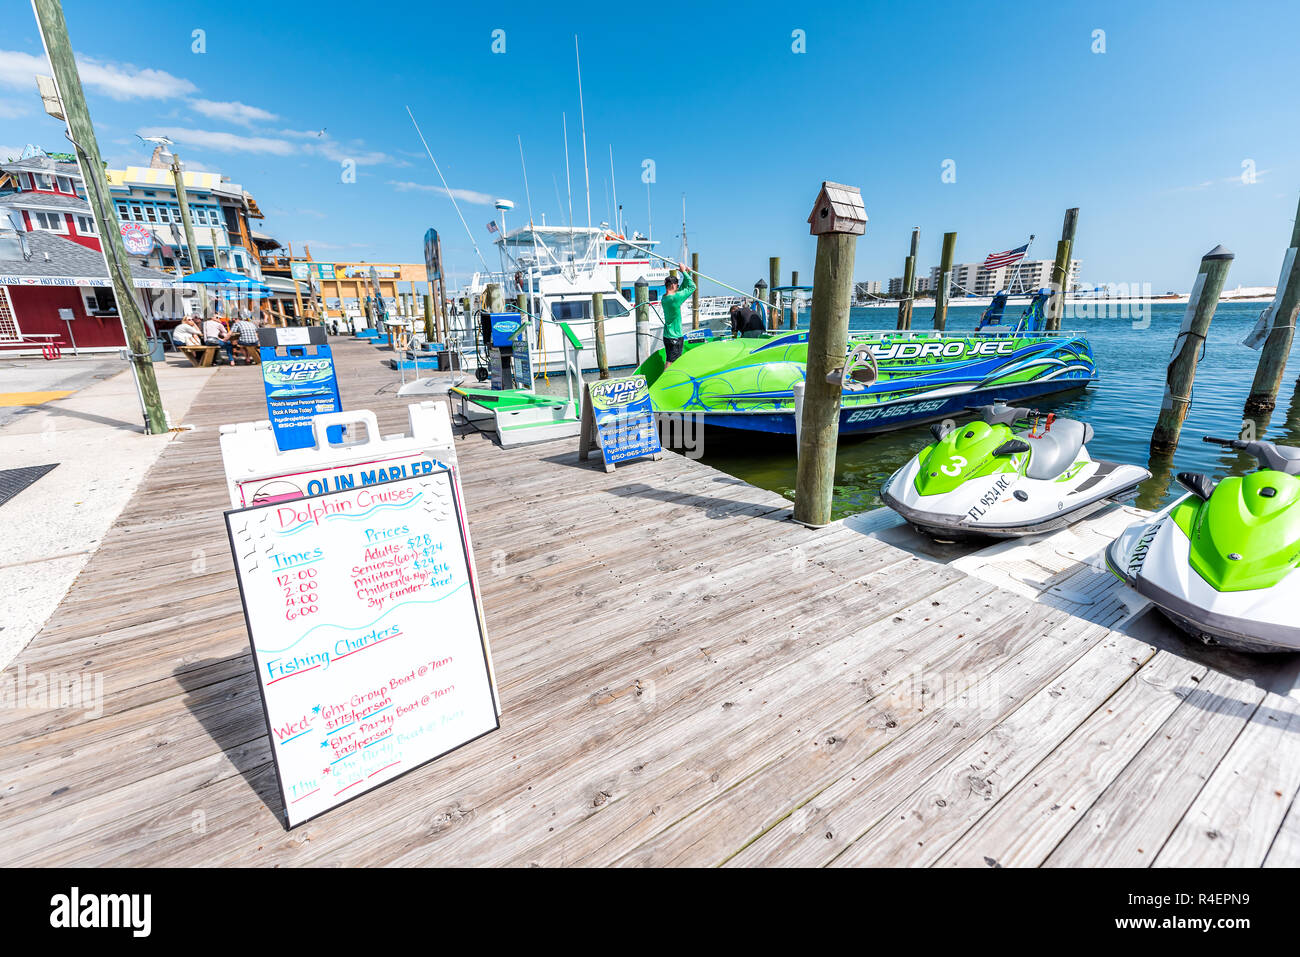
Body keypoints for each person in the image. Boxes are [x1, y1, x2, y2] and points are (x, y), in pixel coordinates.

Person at [660, 263, 695, 366]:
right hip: (675, 336)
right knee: (670, 362)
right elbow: (692, 286)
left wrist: (688, 274)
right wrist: (684, 272)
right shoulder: (675, 298)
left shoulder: (665, 298)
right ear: (673, 285)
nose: (678, 287)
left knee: (671, 359)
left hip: (667, 335)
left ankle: (670, 379)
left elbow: (682, 289)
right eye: (677, 285)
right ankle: (665, 381)